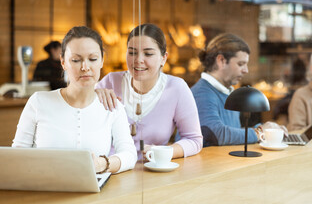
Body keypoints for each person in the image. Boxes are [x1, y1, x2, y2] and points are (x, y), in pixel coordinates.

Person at [12, 26, 137, 174]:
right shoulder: (38, 102)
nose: (85, 67)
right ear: (63, 62)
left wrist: (103, 163)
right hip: (44, 190)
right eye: (76, 60)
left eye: (93, 59)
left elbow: (129, 154)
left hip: (95, 193)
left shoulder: (112, 106)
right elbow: (16, 156)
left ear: (102, 60)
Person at [95, 23, 203, 159]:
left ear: (163, 58)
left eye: (148, 54)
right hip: (112, 169)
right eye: (132, 52)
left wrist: (164, 151)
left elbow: (194, 140)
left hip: (152, 172)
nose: (138, 60)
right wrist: (91, 97)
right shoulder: (110, 82)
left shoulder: (177, 88)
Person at [191, 33, 287, 147]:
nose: (246, 70)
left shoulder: (227, 91)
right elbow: (216, 134)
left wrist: (266, 129)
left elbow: (232, 131)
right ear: (221, 60)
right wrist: (260, 133)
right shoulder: (202, 93)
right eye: (241, 64)